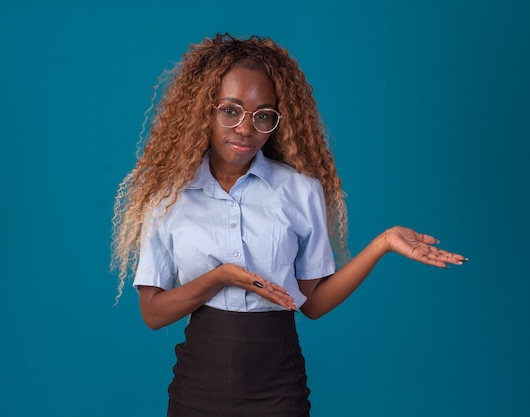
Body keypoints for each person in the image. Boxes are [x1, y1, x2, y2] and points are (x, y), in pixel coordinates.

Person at [111, 33, 466, 417]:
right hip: (198, 384)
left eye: (263, 115)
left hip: (278, 386)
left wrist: (382, 244)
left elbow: (311, 304)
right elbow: (153, 313)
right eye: (231, 110)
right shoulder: (167, 199)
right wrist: (220, 277)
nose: (246, 129)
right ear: (204, 111)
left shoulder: (301, 191)